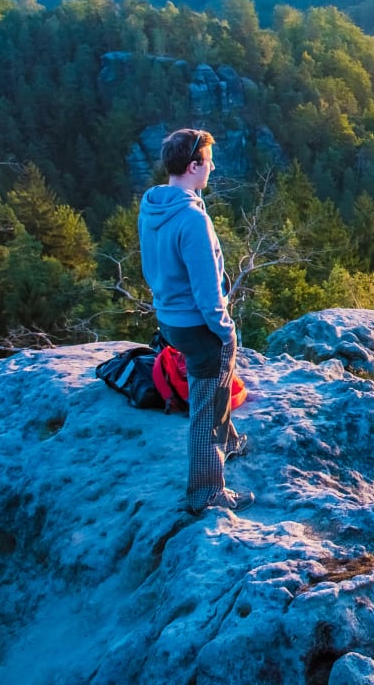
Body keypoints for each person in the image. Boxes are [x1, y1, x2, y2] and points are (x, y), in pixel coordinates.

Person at [138, 128, 254, 513]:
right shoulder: (191, 220)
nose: (213, 166)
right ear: (193, 166)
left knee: (212, 391)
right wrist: (226, 330)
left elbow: (150, 265)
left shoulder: (153, 203)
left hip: (169, 319)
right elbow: (207, 292)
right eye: (208, 161)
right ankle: (205, 493)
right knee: (206, 407)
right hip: (197, 325)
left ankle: (230, 440)